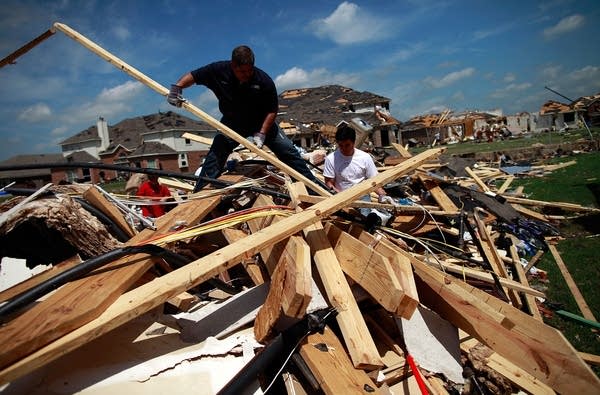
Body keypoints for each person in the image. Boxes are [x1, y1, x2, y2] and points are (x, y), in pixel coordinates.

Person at [167, 45, 317, 192]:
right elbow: (193, 76)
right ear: (233, 65)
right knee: (216, 153)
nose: (246, 74)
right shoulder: (218, 70)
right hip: (233, 123)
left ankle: (315, 189)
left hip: (262, 123)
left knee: (288, 151)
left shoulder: (263, 80)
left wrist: (262, 133)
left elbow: (272, 110)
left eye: (249, 70)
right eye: (242, 71)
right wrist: (177, 88)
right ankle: (200, 194)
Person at [323, 125, 395, 230]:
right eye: (340, 145)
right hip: (341, 196)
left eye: (347, 145)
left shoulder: (364, 158)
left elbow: (373, 182)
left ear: (354, 142)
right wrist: (336, 193)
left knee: (365, 224)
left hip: (362, 197)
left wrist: (382, 195)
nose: (343, 149)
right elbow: (329, 182)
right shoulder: (331, 159)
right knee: (343, 225)